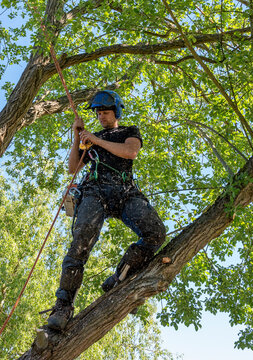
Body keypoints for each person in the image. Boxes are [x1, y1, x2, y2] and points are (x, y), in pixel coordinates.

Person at [47, 90, 166, 331]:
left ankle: (120, 275)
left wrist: (97, 140)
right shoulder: (90, 138)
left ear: (116, 112)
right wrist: (77, 136)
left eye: (105, 113)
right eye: (99, 113)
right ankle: (63, 305)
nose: (101, 117)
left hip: (125, 191)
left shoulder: (128, 132)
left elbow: (130, 152)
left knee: (156, 233)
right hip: (95, 191)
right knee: (81, 239)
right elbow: (72, 168)